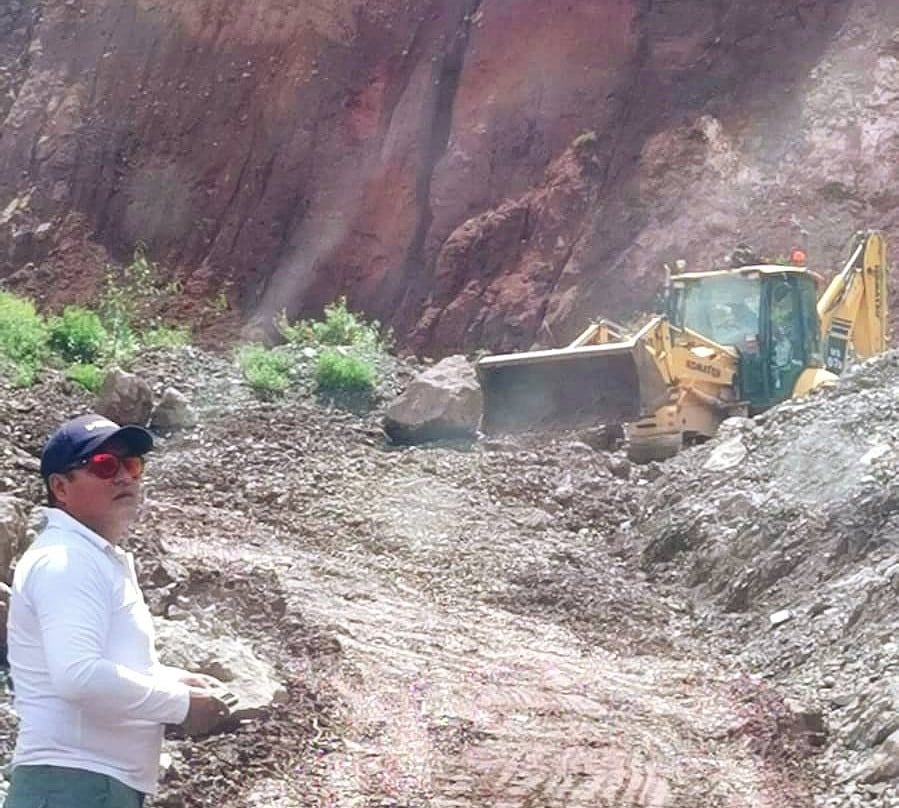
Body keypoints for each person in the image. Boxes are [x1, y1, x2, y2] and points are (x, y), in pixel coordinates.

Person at [5, 413, 231, 807]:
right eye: (104, 465)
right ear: (60, 487)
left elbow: (103, 663)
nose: (125, 477)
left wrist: (174, 681)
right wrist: (179, 705)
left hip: (86, 785)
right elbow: (78, 676)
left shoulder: (87, 556)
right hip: (73, 785)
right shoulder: (66, 559)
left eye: (131, 464)